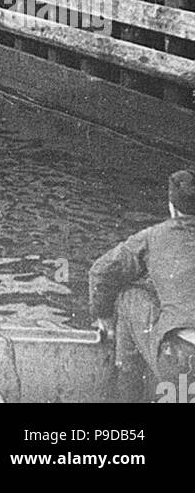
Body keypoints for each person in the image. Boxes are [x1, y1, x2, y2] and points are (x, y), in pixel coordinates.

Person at [89, 169, 195, 401]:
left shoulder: (154, 236)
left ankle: (129, 398)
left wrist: (104, 317)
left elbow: (101, 271)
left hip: (179, 358)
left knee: (129, 297)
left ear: (172, 208)